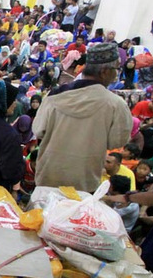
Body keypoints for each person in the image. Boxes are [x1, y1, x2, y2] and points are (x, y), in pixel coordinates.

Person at [33, 43, 132, 192]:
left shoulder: (55, 95)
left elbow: (39, 130)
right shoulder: (115, 104)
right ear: (105, 72)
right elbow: (116, 141)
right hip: (84, 182)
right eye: (116, 69)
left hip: (49, 176)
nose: (116, 74)